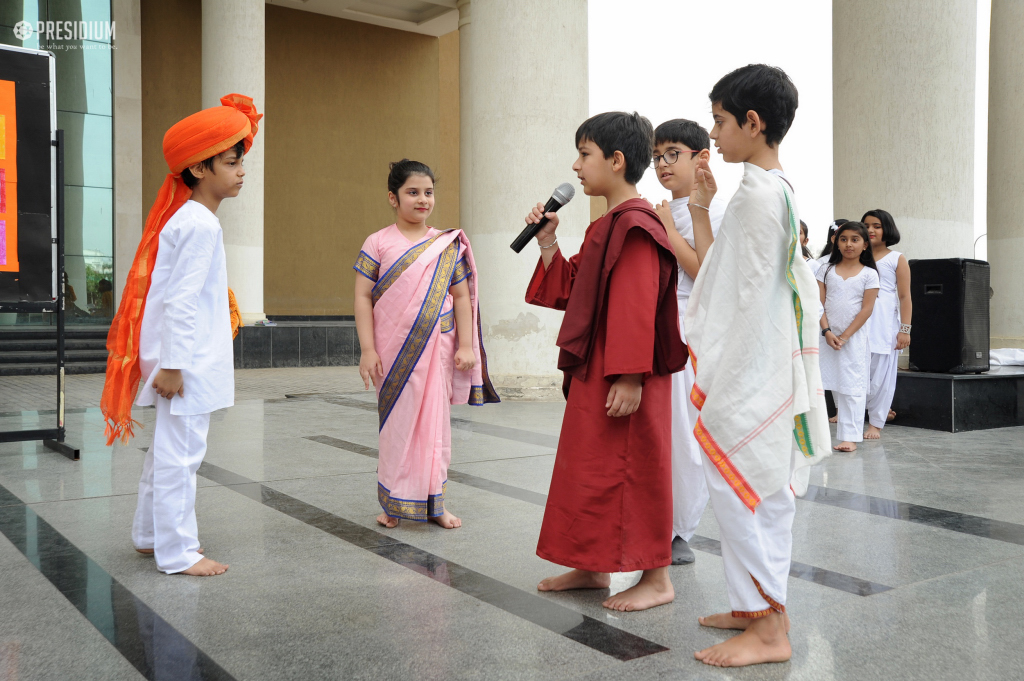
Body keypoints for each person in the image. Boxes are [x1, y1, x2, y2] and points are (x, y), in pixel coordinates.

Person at [684, 64, 831, 667]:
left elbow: (747, 299)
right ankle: (760, 608)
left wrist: (729, 376)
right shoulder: (773, 188)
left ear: (753, 121)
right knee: (763, 490)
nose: (713, 136)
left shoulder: (759, 194)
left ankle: (768, 629)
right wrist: (702, 206)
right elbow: (736, 278)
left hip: (754, 364)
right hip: (765, 358)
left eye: (720, 121)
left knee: (741, 487)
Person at [523, 111, 687, 612]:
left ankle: (657, 577)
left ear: (616, 161)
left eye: (585, 154)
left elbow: (637, 304)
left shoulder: (635, 225)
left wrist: (632, 375)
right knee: (590, 467)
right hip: (601, 367)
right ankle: (592, 565)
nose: (575, 166)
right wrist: (548, 240)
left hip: (626, 370)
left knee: (635, 469)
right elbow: (577, 290)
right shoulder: (607, 224)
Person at [102, 93, 263, 577]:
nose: (240, 171)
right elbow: (180, 301)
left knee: (166, 454)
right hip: (185, 364)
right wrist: (173, 365)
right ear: (198, 168)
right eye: (231, 162)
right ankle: (179, 552)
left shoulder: (191, 219)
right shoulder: (198, 224)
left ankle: (150, 536)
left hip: (182, 360)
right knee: (181, 456)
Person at [354, 159, 498, 530]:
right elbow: (362, 298)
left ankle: (436, 504)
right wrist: (367, 350)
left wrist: (467, 345)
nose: (422, 200)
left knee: (435, 429)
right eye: (412, 192)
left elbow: (462, 297)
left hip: (436, 350)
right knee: (396, 429)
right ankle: (393, 503)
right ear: (393, 197)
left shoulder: (445, 245)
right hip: (392, 355)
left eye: (428, 192)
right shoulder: (378, 242)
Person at [650, 119, 726, 566]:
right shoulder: (659, 208)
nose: (662, 164)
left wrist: (667, 228)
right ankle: (658, 518)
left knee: (685, 427)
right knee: (660, 428)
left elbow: (702, 272)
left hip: (689, 325)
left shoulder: (713, 212)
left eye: (672, 153)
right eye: (658, 155)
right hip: (656, 324)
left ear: (701, 157)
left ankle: (682, 528)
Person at [817, 221, 879, 452]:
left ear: (864, 245)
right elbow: (818, 303)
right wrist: (826, 332)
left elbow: (866, 309)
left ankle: (850, 437)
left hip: (852, 339)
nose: (848, 244)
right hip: (826, 337)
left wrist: (844, 336)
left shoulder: (870, 274)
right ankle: (819, 435)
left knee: (852, 385)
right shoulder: (825, 270)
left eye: (855, 239)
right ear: (836, 242)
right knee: (827, 383)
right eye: (843, 239)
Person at [861, 209, 911, 439]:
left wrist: (905, 330)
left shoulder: (896, 258)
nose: (870, 230)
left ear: (887, 229)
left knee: (882, 377)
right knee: (858, 372)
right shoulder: (856, 256)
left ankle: (876, 423)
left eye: (876, 225)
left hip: (884, 327)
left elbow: (904, 297)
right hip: (858, 325)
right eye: (866, 225)